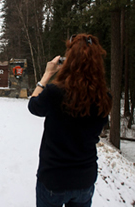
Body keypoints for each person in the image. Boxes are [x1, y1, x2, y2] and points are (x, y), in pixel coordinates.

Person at [28, 33, 112, 207]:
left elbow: (33, 106)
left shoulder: (55, 92)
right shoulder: (105, 98)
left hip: (53, 179)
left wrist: (47, 74)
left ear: (69, 61)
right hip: (85, 180)